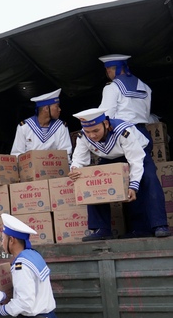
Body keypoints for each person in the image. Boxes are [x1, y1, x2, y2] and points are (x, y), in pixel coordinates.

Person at [69, 108, 169, 240]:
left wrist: (133, 185)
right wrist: (75, 169)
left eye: (96, 131)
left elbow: (135, 160)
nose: (92, 135)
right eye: (88, 132)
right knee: (93, 182)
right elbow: (79, 158)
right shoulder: (83, 136)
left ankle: (159, 225)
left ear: (106, 124)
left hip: (138, 153)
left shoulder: (123, 131)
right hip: (110, 157)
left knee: (149, 179)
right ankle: (102, 229)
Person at [98, 54, 152, 140]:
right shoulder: (145, 87)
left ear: (108, 70)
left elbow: (107, 115)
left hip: (124, 135)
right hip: (143, 134)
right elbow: (147, 113)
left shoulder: (112, 87)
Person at [10, 89, 72, 157]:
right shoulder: (24, 127)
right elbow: (17, 154)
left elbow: (65, 154)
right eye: (57, 106)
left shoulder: (61, 127)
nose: (59, 109)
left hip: (54, 163)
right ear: (46, 108)